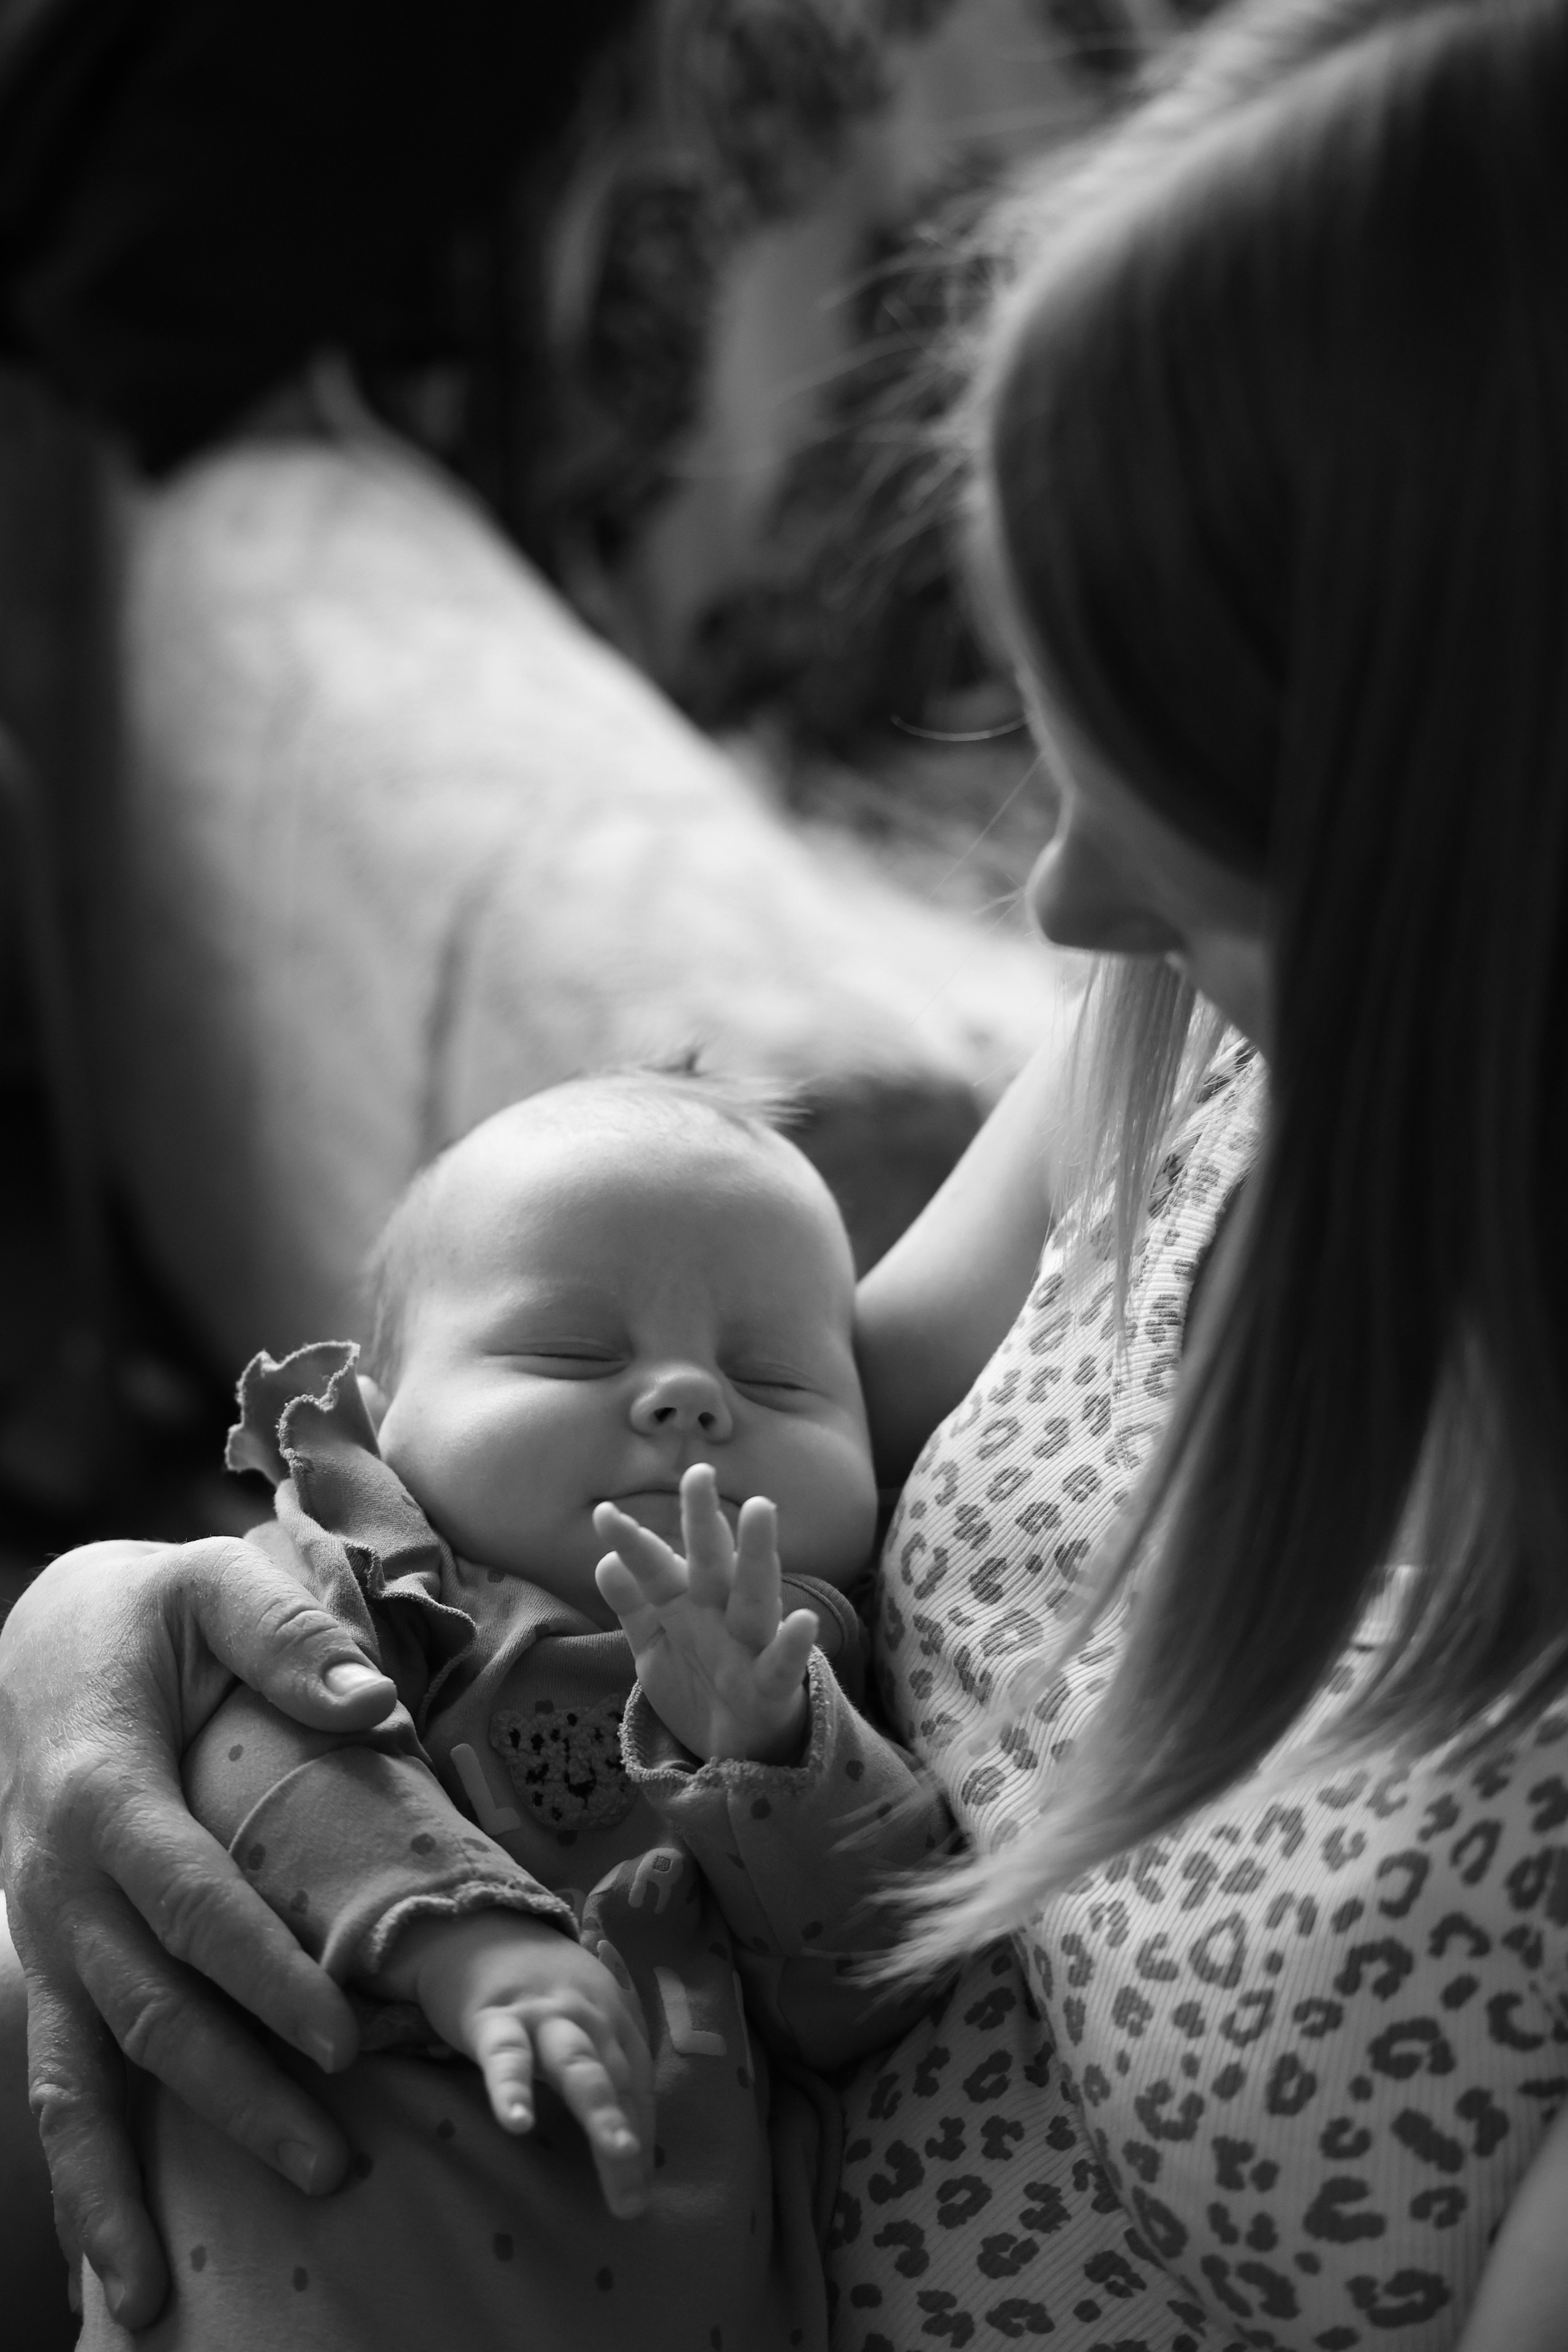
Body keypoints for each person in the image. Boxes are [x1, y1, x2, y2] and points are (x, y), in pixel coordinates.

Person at [7, 0, 1568, 2346]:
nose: (1062, 915)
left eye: (1219, 826)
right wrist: (103, 1625)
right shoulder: (1211, 1056)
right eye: (1057, 750)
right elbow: (686, 1442)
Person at [75, 1071, 948, 2349]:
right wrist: (463, 1945)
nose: (688, 1401)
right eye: (571, 1353)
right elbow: (241, 1759)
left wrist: (770, 1751)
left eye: (774, 1381)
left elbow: (867, 1988)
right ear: (378, 1422)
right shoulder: (357, 1581)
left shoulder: (817, 1679)